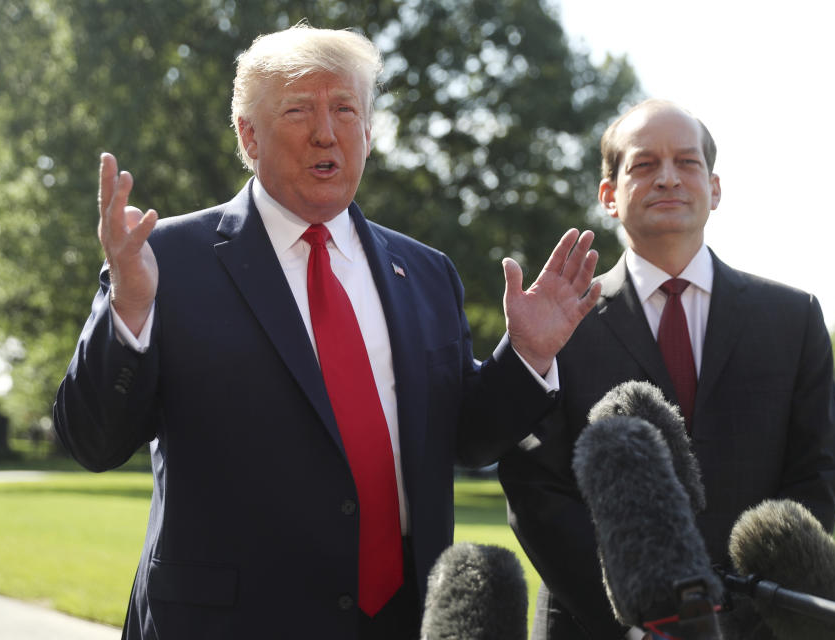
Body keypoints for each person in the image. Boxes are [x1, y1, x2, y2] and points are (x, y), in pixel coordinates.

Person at [53, 24, 601, 640]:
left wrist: (524, 357)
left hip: (398, 620)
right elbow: (95, 442)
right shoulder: (164, 260)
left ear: (368, 131)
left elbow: (464, 440)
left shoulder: (424, 272)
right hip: (228, 622)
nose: (326, 131)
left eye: (345, 109)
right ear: (248, 134)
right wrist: (128, 305)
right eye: (298, 110)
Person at [498, 99, 835, 639]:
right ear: (609, 196)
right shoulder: (556, 320)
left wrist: (748, 613)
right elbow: (535, 488)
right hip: (596, 625)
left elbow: (819, 472)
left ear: (714, 189)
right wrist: (646, 621)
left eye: (687, 163)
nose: (667, 178)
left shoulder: (792, 317)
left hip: (754, 626)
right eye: (644, 165)